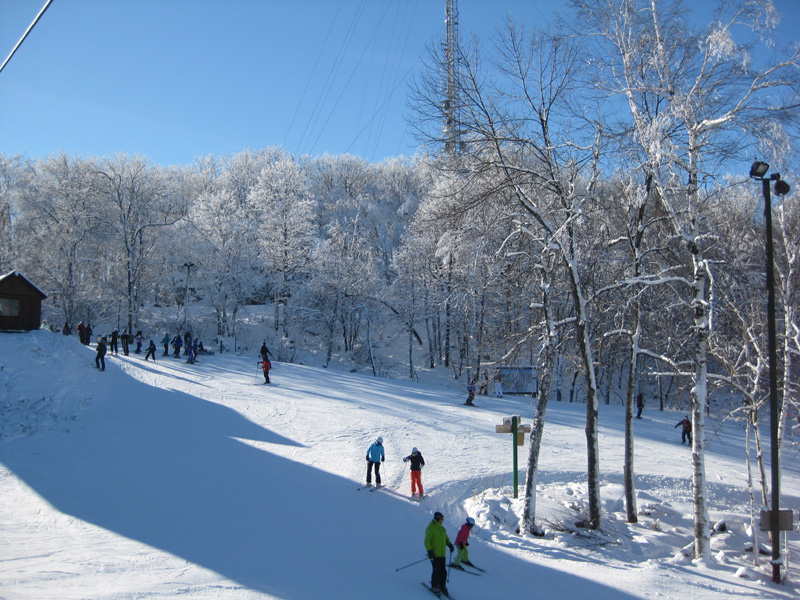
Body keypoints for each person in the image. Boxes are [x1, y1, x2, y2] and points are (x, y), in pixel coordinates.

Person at [425, 511, 454, 597]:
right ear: (438, 518)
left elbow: (445, 538)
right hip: (434, 554)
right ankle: (434, 586)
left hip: (442, 554)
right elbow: (427, 541)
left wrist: (449, 545)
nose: (443, 520)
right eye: (442, 518)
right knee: (436, 570)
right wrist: (430, 551)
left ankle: (442, 585)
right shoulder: (431, 528)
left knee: (443, 571)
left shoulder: (442, 529)